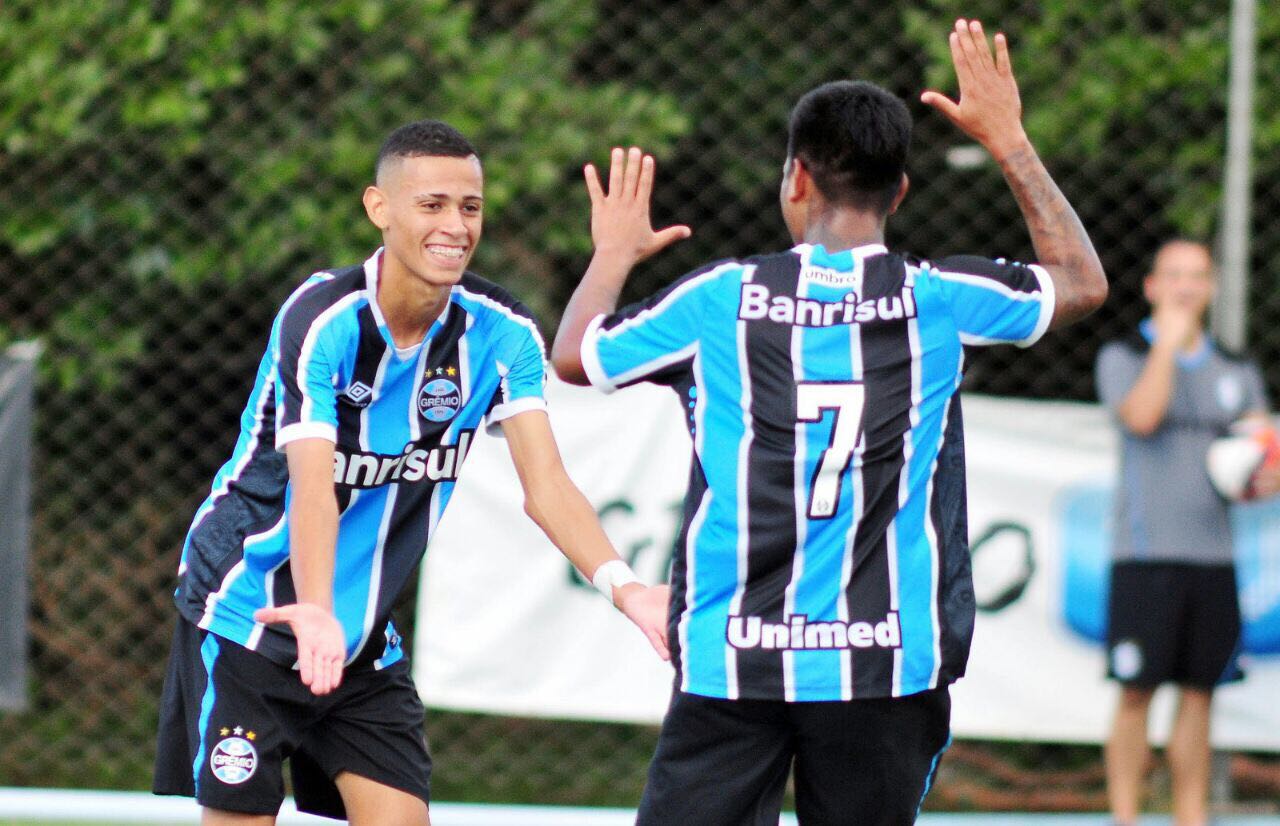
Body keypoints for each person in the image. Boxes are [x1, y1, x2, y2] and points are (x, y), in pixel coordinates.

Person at [552, 18, 1107, 825]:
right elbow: (1082, 283)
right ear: (902, 192)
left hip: (734, 656)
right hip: (884, 662)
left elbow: (577, 357)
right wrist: (1009, 140)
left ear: (796, 179)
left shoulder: (722, 300)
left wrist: (612, 253)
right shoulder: (938, 299)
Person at [152, 119, 669, 825]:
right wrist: (312, 609)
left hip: (359, 640)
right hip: (251, 612)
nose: (455, 225)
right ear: (379, 208)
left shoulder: (500, 333)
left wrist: (630, 589)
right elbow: (313, 487)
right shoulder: (324, 318)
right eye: (432, 205)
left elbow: (546, 487)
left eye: (470, 207)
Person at [1095, 239, 1277, 826]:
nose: (1184, 286)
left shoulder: (1237, 368)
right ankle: (1126, 817)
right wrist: (1167, 349)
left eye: (1197, 275)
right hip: (1145, 556)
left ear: (1212, 286)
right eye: (1172, 275)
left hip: (1214, 558)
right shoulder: (1123, 356)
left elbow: (1259, 458)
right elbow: (1143, 417)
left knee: (1201, 693)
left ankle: (1189, 818)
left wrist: (1263, 475)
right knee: (1135, 693)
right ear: (1151, 286)